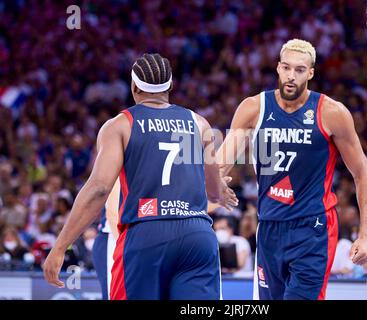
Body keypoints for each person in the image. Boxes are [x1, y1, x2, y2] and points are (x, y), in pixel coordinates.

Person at [43, 53, 238, 300]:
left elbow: (99, 189)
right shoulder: (198, 123)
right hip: (197, 236)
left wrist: (60, 246)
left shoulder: (120, 125)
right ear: (169, 86)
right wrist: (222, 189)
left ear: (134, 87)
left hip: (147, 232)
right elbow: (213, 192)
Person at [217, 39, 367, 300]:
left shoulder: (332, 113)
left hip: (313, 228)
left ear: (311, 73)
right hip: (269, 226)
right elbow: (222, 161)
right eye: (287, 68)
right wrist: (216, 184)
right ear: (278, 68)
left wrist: (366, 235)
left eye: (300, 70)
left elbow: (362, 172)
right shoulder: (254, 108)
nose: (291, 76)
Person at [92, 178, 120, 300]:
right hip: (112, 239)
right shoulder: (120, 167)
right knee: (113, 296)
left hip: (132, 241)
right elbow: (113, 214)